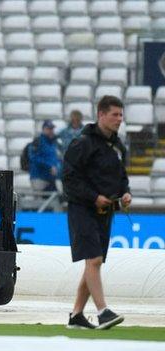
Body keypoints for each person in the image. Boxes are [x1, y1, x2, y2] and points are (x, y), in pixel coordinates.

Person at [62, 95, 131, 330]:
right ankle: (103, 312)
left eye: (121, 115)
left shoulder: (117, 146)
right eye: (115, 114)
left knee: (93, 264)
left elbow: (121, 177)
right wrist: (94, 197)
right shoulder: (82, 143)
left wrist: (125, 193)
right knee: (94, 259)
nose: (119, 119)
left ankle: (76, 316)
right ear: (101, 115)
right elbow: (69, 178)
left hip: (107, 211)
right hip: (82, 209)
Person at [29, 120, 61, 193]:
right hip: (39, 178)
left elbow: (56, 158)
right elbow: (34, 158)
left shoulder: (53, 142)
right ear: (43, 129)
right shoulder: (37, 141)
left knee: (55, 201)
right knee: (41, 202)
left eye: (52, 129)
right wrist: (49, 166)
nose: (51, 131)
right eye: (48, 129)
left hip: (51, 178)